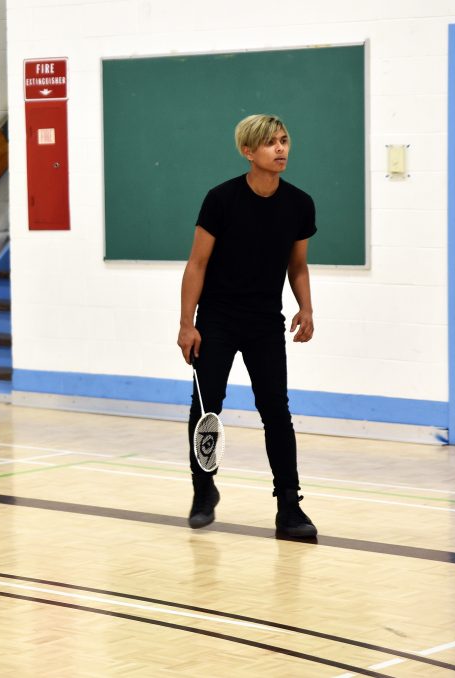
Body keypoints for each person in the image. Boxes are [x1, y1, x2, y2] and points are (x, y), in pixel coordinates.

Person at [176, 114, 317, 538]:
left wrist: (306, 308)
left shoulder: (299, 203)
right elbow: (197, 264)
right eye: (271, 143)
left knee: (276, 412)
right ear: (248, 151)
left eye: (284, 140)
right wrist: (188, 324)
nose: (281, 149)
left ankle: (289, 506)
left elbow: (298, 266)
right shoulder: (221, 200)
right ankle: (204, 490)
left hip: (264, 324)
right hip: (217, 321)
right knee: (206, 408)